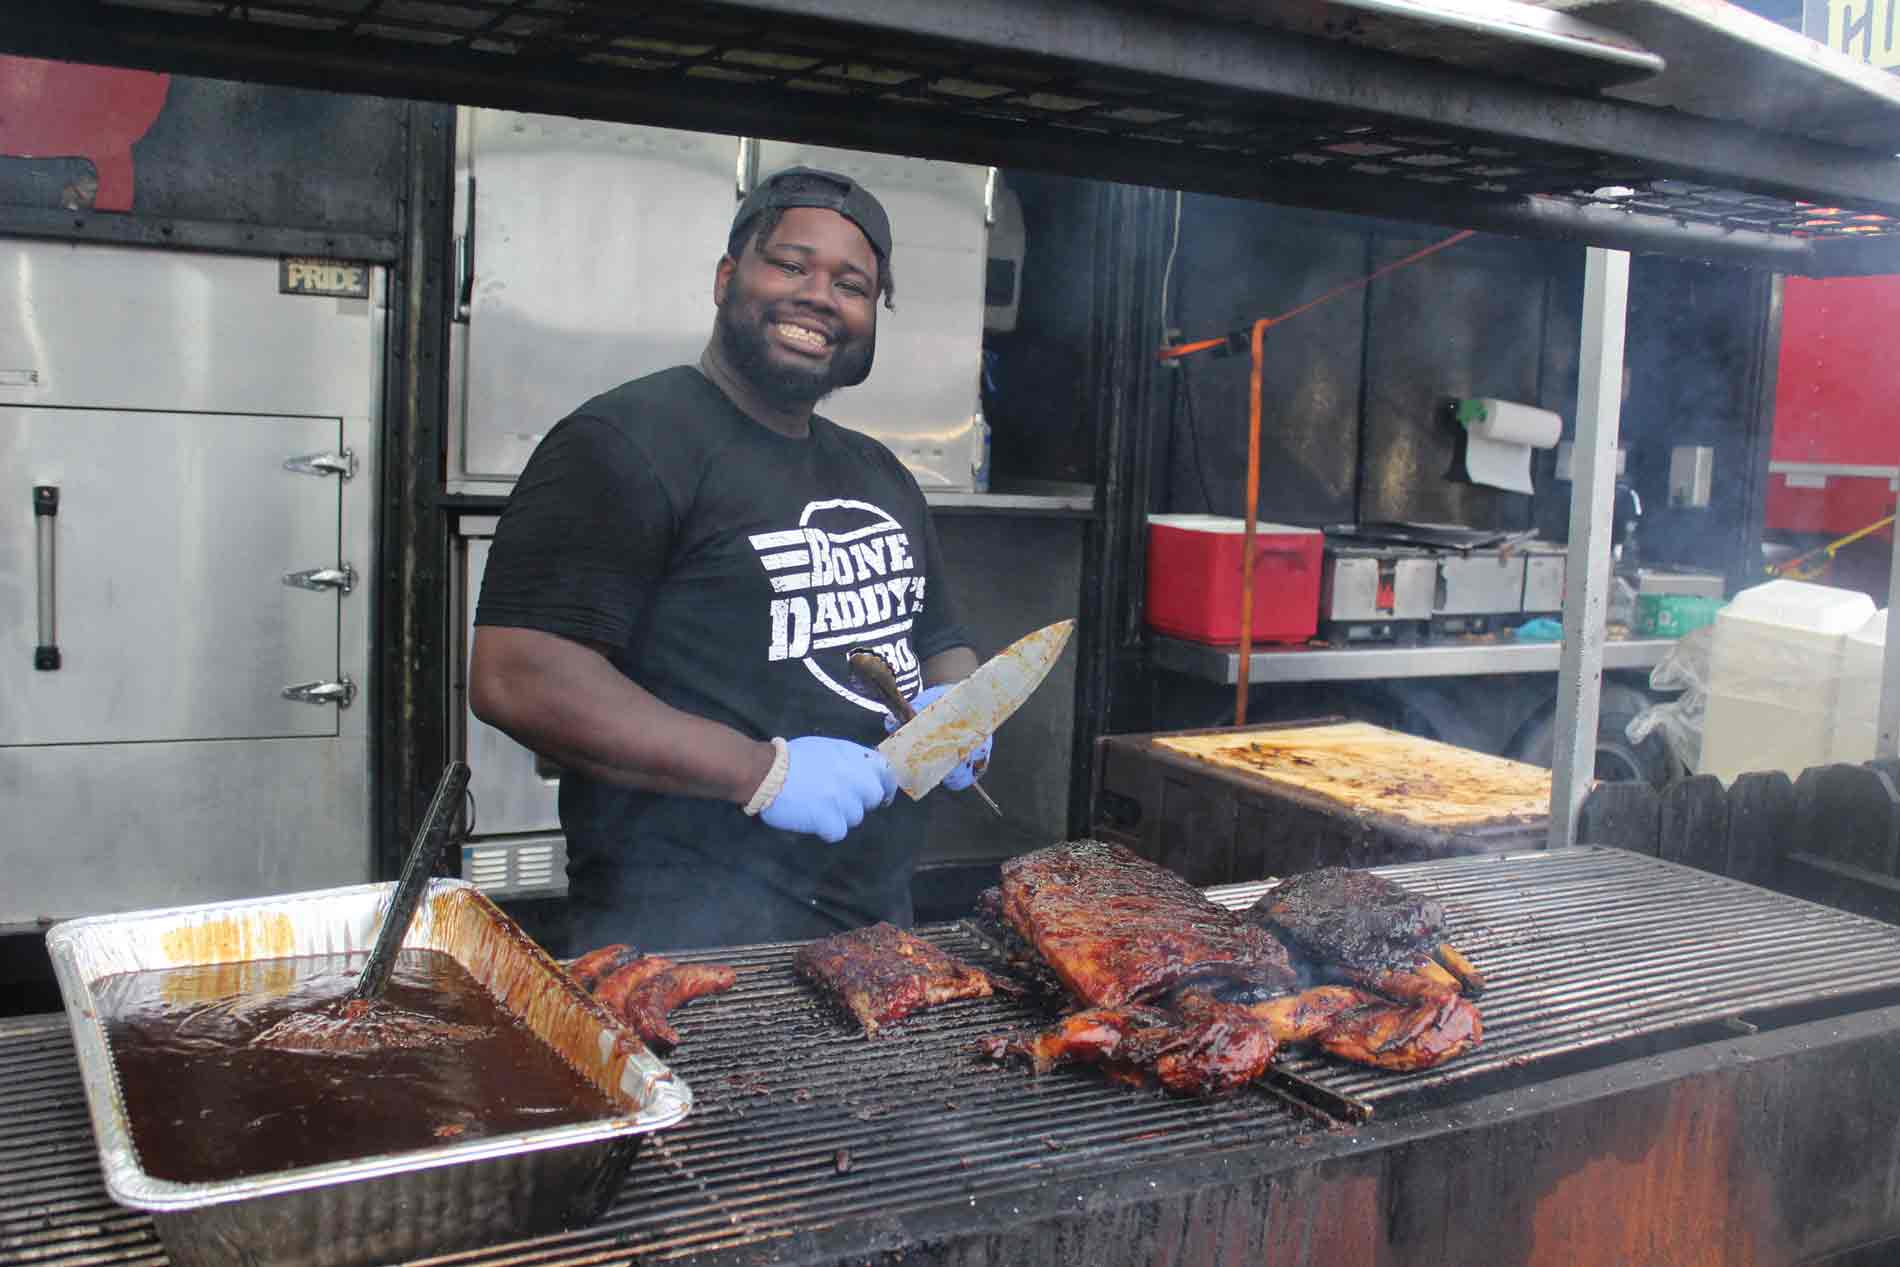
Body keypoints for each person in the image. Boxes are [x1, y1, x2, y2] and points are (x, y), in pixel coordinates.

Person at [470, 167, 990, 953]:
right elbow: (516, 673)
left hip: (878, 937)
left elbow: (936, 634)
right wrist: (760, 771)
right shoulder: (626, 442)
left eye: (852, 284)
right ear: (726, 279)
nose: (818, 295)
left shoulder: (881, 473)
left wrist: (961, 701)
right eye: (789, 264)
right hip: (682, 945)